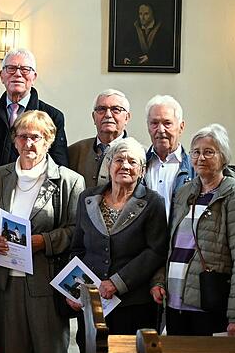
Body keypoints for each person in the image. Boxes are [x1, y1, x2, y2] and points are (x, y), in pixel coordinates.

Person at [0, 110, 84, 353]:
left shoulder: (69, 180)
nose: (28, 143)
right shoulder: (1, 176)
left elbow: (76, 232)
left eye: (36, 137)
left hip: (46, 283)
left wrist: (44, 241)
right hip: (7, 283)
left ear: (48, 141)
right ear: (14, 141)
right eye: (23, 136)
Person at [151, 124, 235, 337]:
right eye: (196, 152)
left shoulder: (234, 197)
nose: (201, 157)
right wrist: (159, 281)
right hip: (175, 304)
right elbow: (170, 247)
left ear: (223, 157)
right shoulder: (185, 193)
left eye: (208, 152)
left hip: (209, 306)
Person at [70, 137, 167, 337]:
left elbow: (156, 250)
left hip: (133, 304)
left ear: (142, 170)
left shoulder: (153, 202)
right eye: (119, 160)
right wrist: (73, 290)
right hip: (92, 303)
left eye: (132, 162)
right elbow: (78, 249)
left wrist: (117, 282)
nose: (125, 165)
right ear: (109, 165)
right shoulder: (87, 198)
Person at [0, 48, 69, 187]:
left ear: (34, 77)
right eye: (11, 68)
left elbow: (59, 165)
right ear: (2, 76)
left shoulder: (52, 116)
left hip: (34, 195)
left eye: (25, 69)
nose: (17, 74)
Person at [68, 89, 132, 188]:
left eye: (116, 109)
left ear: (127, 117)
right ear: (94, 117)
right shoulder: (75, 152)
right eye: (101, 109)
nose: (108, 115)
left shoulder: (140, 154)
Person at [144, 95, 194, 218]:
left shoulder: (195, 169)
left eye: (167, 123)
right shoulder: (137, 166)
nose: (160, 130)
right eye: (154, 123)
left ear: (181, 127)